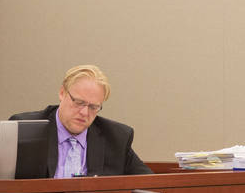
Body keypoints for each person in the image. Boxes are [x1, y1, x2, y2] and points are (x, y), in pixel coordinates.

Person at [10, 64, 152, 178]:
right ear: (62, 93)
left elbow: (150, 183)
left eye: (93, 107)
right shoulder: (24, 129)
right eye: (78, 102)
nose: (84, 113)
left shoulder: (116, 138)